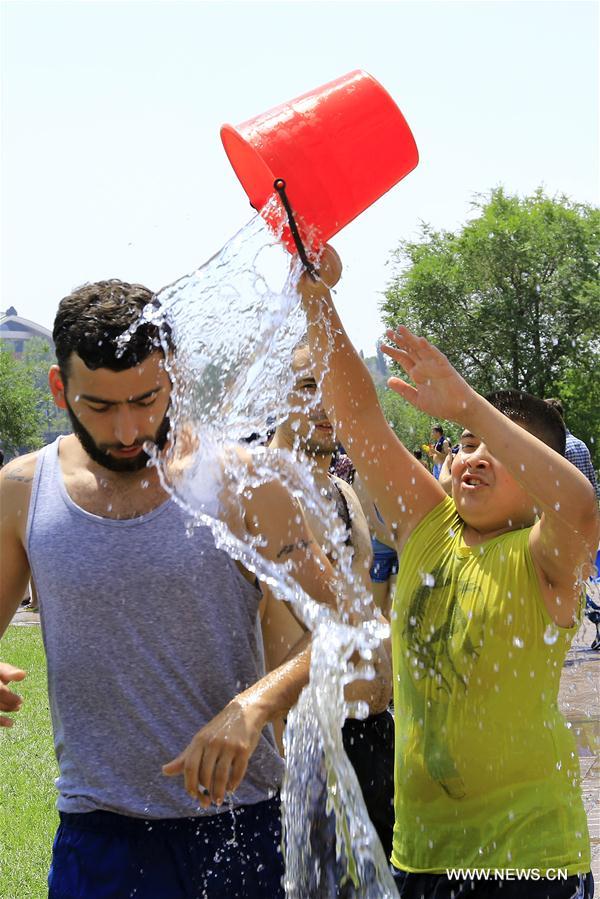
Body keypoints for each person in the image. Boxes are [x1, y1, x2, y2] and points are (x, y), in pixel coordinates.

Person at [0, 279, 389, 899]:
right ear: (58, 389)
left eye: (147, 399)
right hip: (99, 838)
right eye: (99, 407)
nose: (127, 430)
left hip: (240, 833)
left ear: (174, 376)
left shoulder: (241, 483)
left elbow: (360, 637)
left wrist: (256, 704)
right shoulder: (23, 491)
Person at [298, 246, 599, 899]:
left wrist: (468, 409)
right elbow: (359, 416)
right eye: (465, 447)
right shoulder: (427, 527)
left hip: (530, 862)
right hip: (424, 857)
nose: (474, 459)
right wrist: (315, 293)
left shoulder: (545, 558)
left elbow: (579, 504)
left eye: (500, 449)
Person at [265, 344, 395, 869]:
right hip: (303, 741)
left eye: (332, 390)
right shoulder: (259, 491)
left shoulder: (343, 490)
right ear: (271, 396)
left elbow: (366, 607)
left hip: (368, 734)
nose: (324, 405)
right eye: (306, 388)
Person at [545, 398, 599, 500]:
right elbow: (593, 486)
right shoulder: (581, 444)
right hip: (588, 508)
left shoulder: (561, 449)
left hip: (571, 509)